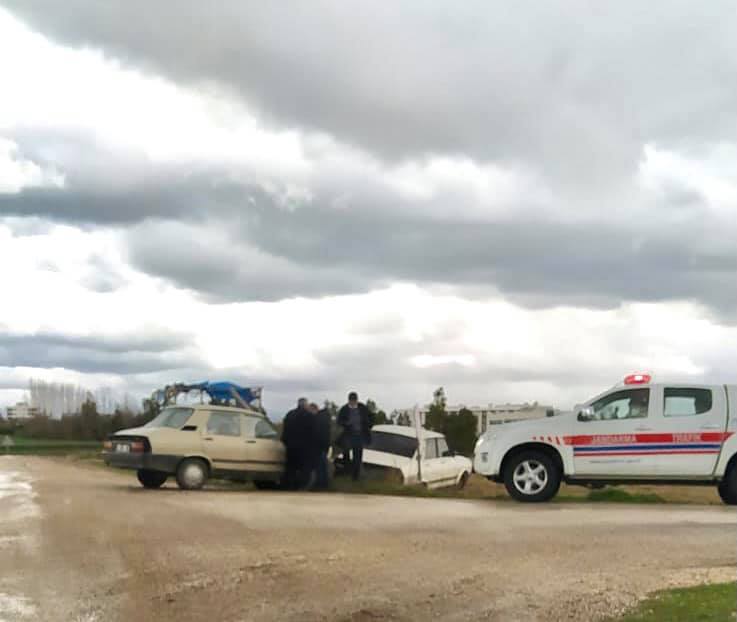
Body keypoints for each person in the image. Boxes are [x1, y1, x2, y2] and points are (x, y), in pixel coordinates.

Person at [337, 391, 372, 481]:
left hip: (360, 435)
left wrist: (368, 425)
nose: (353, 403)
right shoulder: (344, 409)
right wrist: (346, 423)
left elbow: (370, 417)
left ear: (356, 400)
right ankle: (346, 472)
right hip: (348, 435)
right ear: (349, 400)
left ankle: (355, 476)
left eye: (354, 401)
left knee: (358, 456)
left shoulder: (362, 408)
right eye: (351, 401)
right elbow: (339, 421)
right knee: (346, 454)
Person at [281, 397, 315, 490]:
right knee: (304, 468)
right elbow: (313, 432)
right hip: (304, 447)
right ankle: (301, 486)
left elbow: (285, 430)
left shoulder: (290, 414)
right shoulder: (309, 416)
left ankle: (288, 486)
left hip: (290, 446)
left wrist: (285, 441)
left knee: (290, 467)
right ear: (305, 405)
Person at [312, 402, 332, 490]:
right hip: (324, 445)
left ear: (314, 409)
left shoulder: (318, 419)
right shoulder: (324, 418)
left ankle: (320, 484)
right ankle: (324, 484)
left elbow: (318, 433)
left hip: (319, 445)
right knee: (323, 466)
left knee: (319, 466)